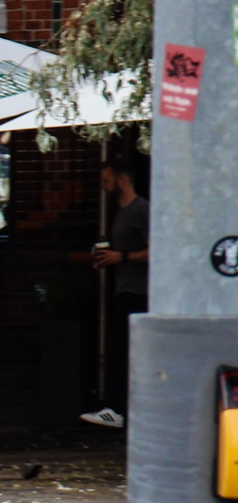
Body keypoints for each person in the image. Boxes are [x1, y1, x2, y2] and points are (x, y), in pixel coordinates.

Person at [80, 158, 149, 428]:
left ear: (123, 179)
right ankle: (120, 409)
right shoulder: (121, 212)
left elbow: (156, 249)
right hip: (125, 289)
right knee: (120, 350)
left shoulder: (140, 210)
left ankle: (118, 410)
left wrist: (122, 257)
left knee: (122, 351)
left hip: (138, 293)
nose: (103, 184)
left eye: (107, 179)